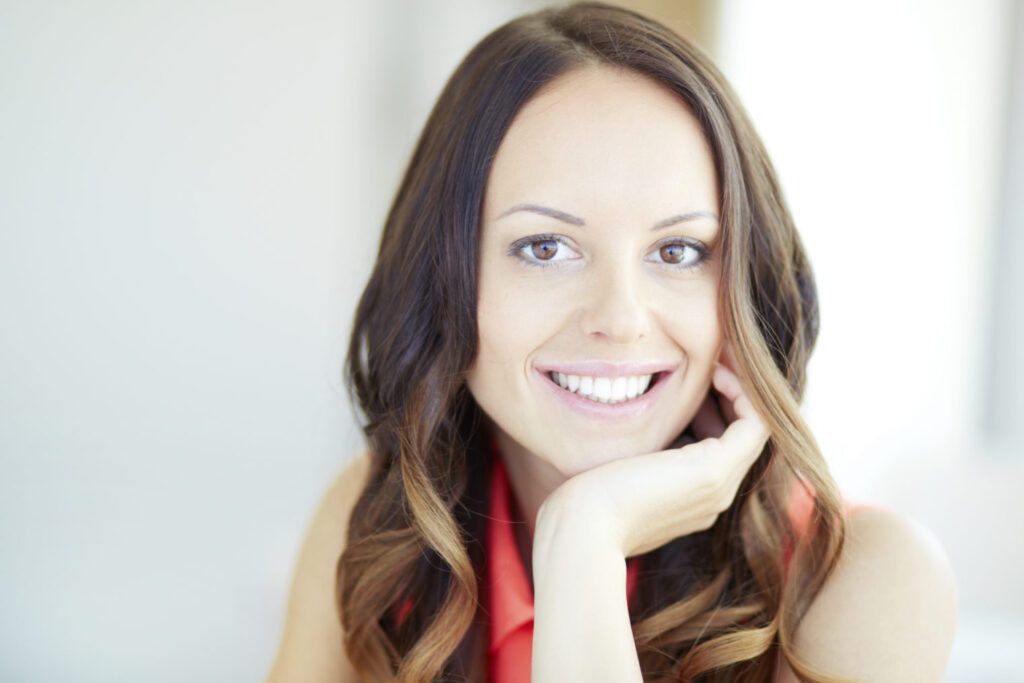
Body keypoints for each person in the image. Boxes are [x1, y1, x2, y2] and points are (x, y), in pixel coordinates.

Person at [268, 2, 957, 681]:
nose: (621, 317)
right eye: (545, 247)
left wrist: (584, 541)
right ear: (442, 275)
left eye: (680, 250)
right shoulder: (385, 523)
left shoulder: (867, 578)